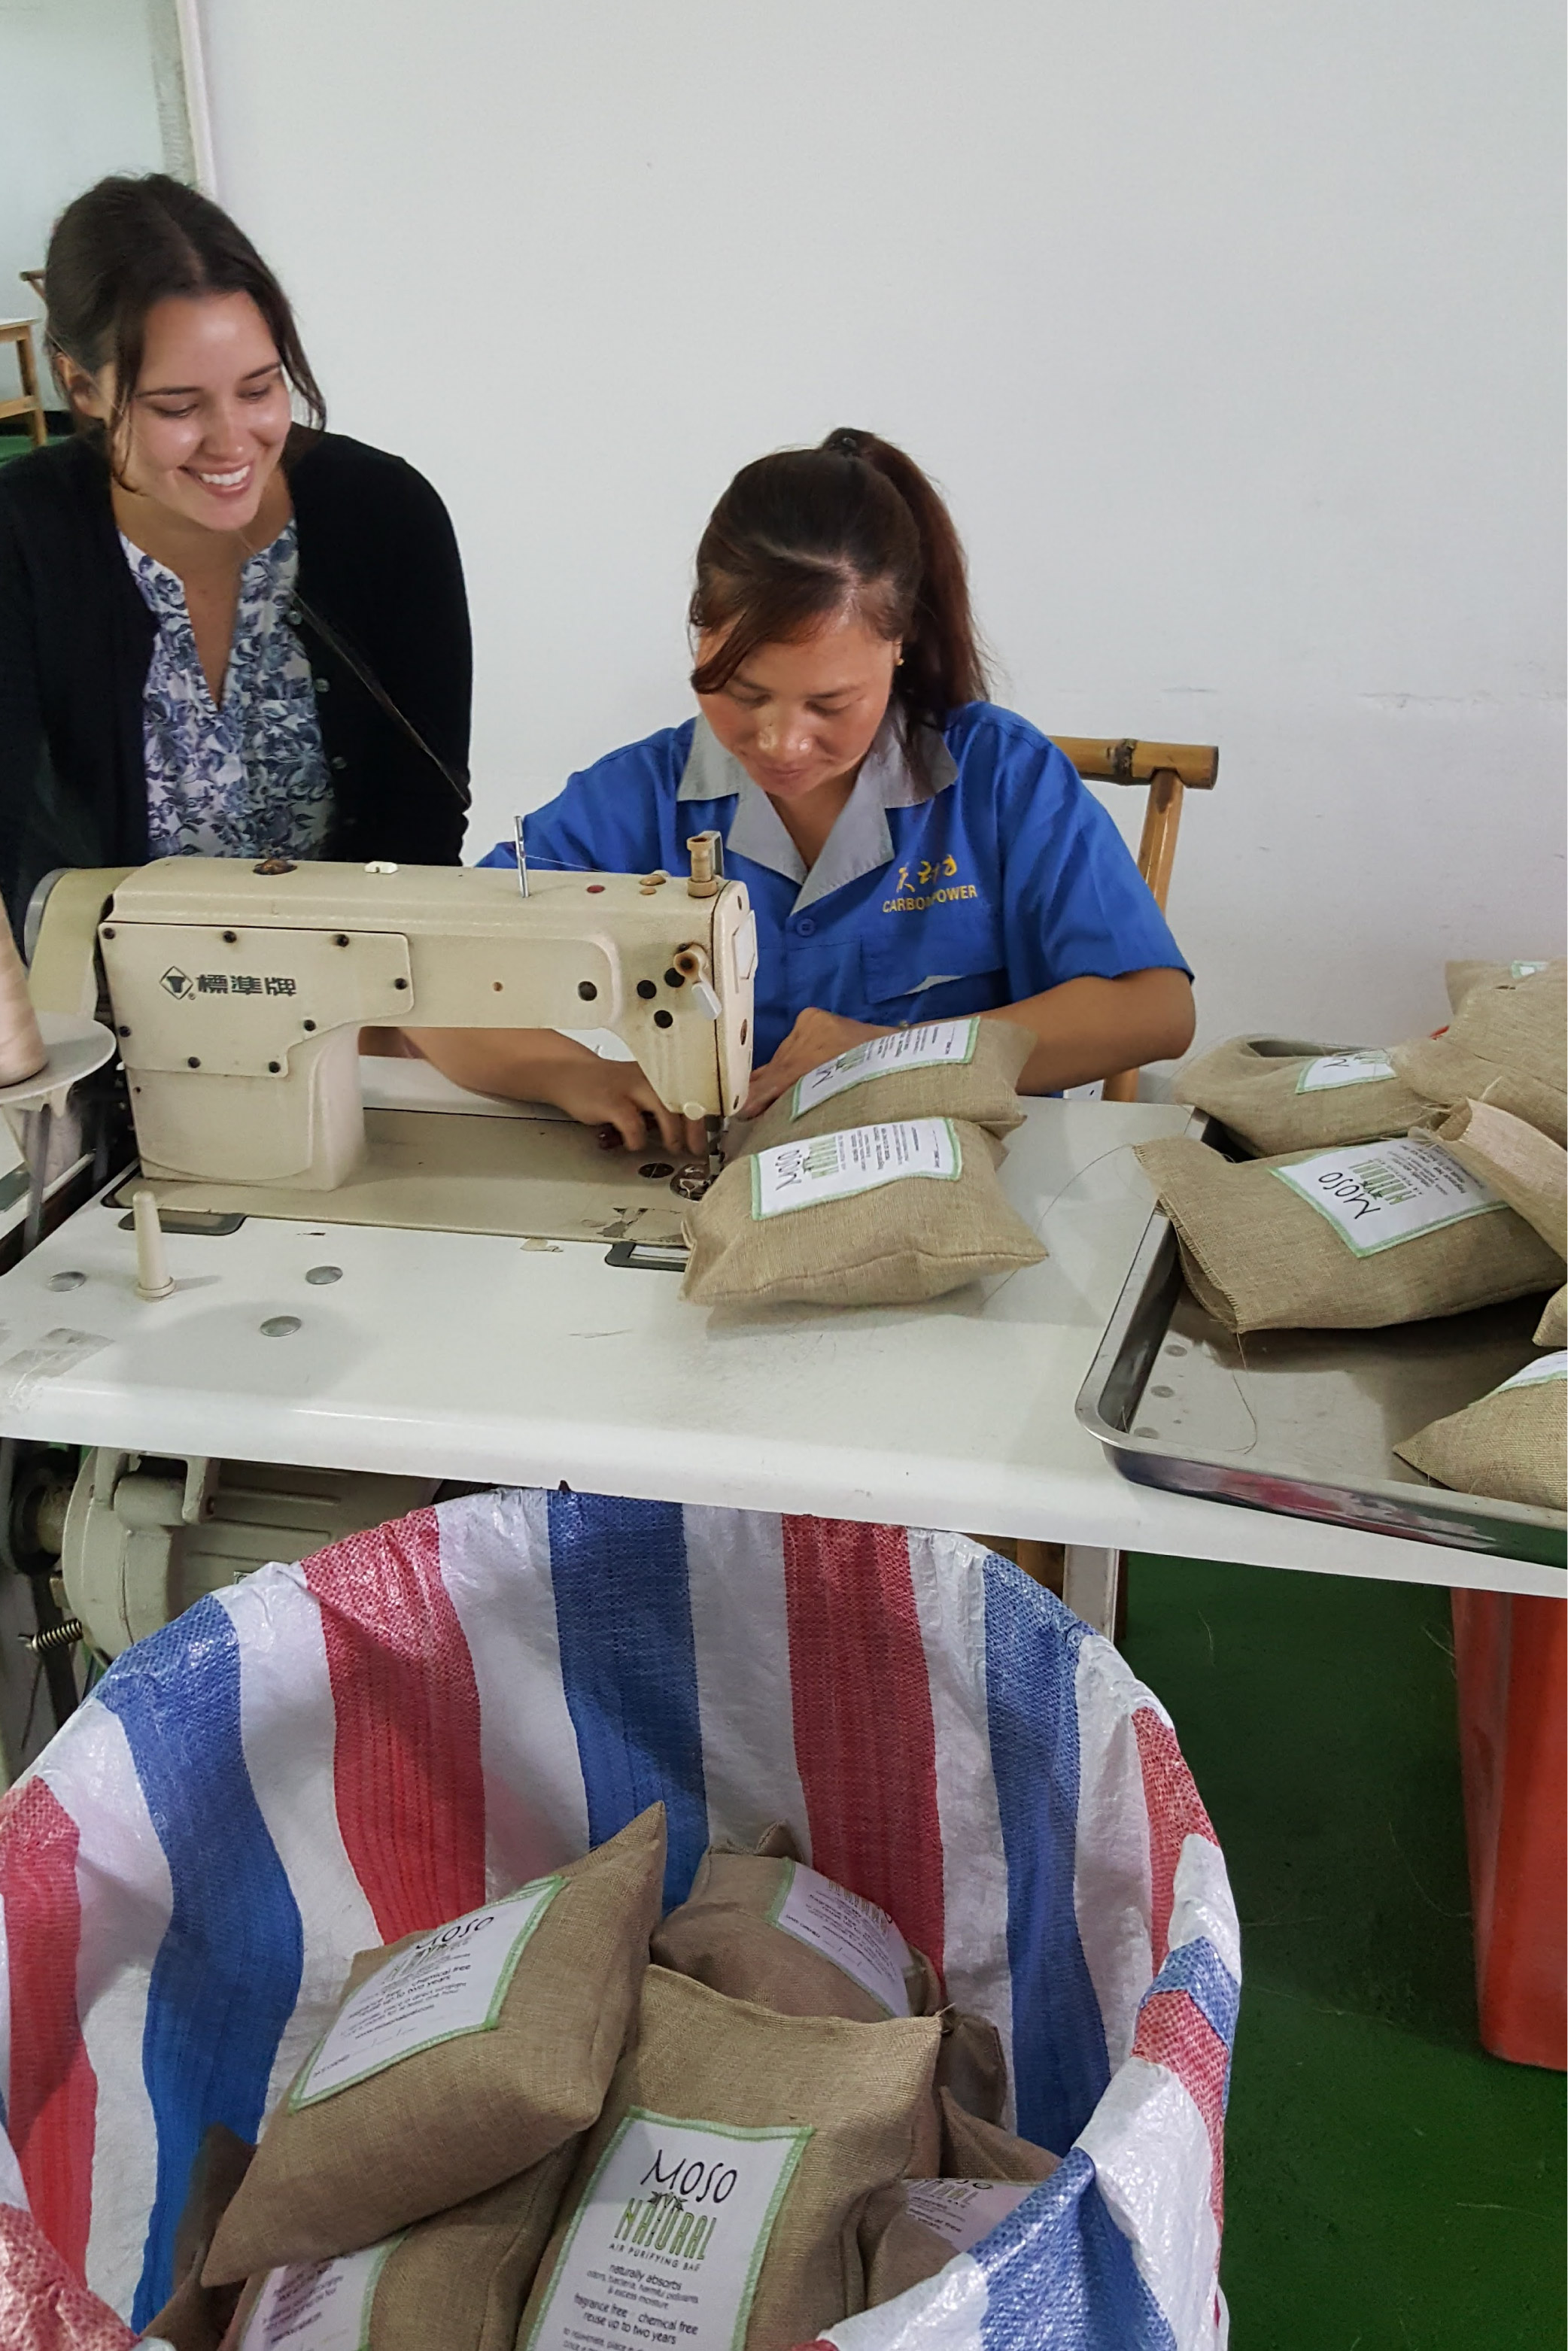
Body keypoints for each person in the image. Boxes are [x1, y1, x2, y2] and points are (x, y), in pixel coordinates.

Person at [430, 429, 1196, 1147]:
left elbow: (1154, 1009)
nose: (781, 743)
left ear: (899, 645)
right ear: (700, 636)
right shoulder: (637, 798)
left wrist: (899, 1054)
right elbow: (434, 974)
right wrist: (579, 1074)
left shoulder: (1000, 778)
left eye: (829, 704)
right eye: (745, 694)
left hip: (963, 1175)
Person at [0, 174, 472, 941]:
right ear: (80, 386)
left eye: (258, 390)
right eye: (178, 407)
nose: (231, 443)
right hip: (87, 987)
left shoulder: (385, 516)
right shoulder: (22, 535)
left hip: (359, 974)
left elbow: (425, 816)